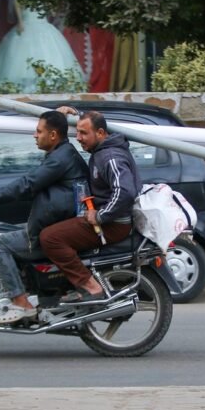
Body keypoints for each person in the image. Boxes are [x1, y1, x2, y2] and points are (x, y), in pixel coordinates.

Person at [0, 110, 87, 324]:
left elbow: (27, 184)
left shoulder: (59, 159)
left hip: (56, 227)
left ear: (53, 135)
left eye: (39, 131)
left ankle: (21, 303)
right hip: (58, 221)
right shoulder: (62, 152)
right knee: (9, 230)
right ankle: (28, 290)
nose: (34, 135)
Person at [41, 109, 140, 303]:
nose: (78, 137)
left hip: (113, 224)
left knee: (50, 238)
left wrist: (101, 215)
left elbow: (125, 192)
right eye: (77, 132)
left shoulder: (111, 156)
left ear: (101, 133)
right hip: (104, 218)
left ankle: (90, 286)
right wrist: (66, 113)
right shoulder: (100, 151)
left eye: (84, 133)